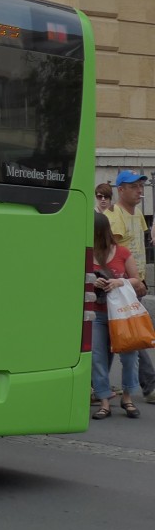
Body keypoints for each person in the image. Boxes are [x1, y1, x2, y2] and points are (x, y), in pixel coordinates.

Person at [106, 170, 155, 402]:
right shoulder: (114, 216)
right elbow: (112, 255)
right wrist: (128, 282)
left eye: (141, 186)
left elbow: (139, 248)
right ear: (120, 189)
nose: (139, 190)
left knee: (117, 337)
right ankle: (150, 385)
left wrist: (141, 279)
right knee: (134, 335)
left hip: (134, 283)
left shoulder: (138, 215)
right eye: (134, 186)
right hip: (122, 286)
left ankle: (99, 386)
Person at [91, 210, 146, 419]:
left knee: (130, 356)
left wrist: (118, 281)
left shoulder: (122, 252)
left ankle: (128, 397)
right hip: (97, 314)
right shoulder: (87, 253)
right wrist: (92, 282)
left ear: (100, 232)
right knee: (97, 357)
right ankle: (104, 400)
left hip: (121, 314)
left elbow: (137, 280)